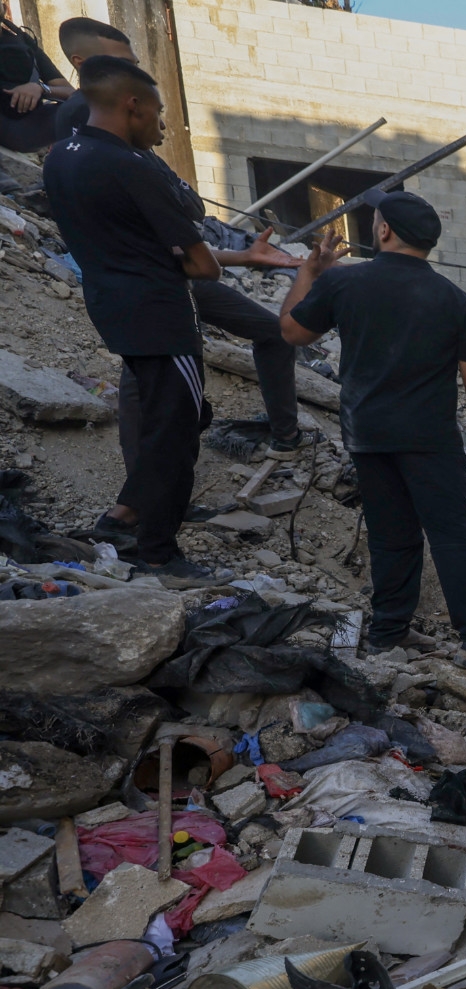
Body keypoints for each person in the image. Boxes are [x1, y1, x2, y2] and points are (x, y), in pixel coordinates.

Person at [276, 189, 466, 676]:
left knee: (391, 537)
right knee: (452, 538)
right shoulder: (454, 299)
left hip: (367, 434)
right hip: (430, 438)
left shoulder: (345, 285)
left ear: (383, 231)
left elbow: (291, 333)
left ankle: (389, 631)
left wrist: (309, 272)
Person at [43, 56, 220, 586]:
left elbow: (122, 237)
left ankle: (122, 518)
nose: (160, 127)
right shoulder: (132, 166)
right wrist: (190, 259)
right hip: (162, 315)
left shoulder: (61, 157)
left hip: (112, 305)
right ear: (132, 105)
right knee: (176, 434)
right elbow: (203, 264)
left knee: (164, 421)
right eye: (158, 114)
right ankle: (160, 553)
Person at [0, 3, 72, 152]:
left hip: (31, 125)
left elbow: (72, 93)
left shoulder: (23, 42)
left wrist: (40, 88)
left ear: (4, 8)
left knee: (86, 108)